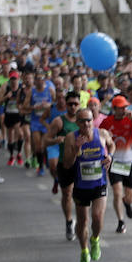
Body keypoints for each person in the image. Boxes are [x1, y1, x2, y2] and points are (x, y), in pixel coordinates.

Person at [62, 108, 115, 262]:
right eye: (82, 121)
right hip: (81, 186)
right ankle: (84, 251)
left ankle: (95, 239)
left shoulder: (103, 134)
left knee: (97, 217)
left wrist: (110, 156)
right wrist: (76, 149)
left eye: (89, 120)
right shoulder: (71, 138)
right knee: (83, 221)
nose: (86, 123)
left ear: (93, 120)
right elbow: (66, 164)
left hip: (99, 184)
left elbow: (112, 145)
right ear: (77, 123)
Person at [101, 95, 132, 234]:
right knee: (117, 193)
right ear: (114, 109)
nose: (124, 110)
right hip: (115, 162)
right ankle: (121, 221)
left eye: (125, 107)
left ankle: (127, 204)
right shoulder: (107, 121)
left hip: (130, 162)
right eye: (121, 108)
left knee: (129, 197)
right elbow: (99, 135)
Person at [45, 92, 82, 238]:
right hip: (64, 163)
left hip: (81, 164)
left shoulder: (84, 121)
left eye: (75, 104)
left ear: (80, 105)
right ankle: (68, 221)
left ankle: (81, 221)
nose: (73, 107)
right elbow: (46, 140)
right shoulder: (59, 121)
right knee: (67, 194)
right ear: (65, 105)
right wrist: (56, 141)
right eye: (70, 104)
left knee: (81, 196)